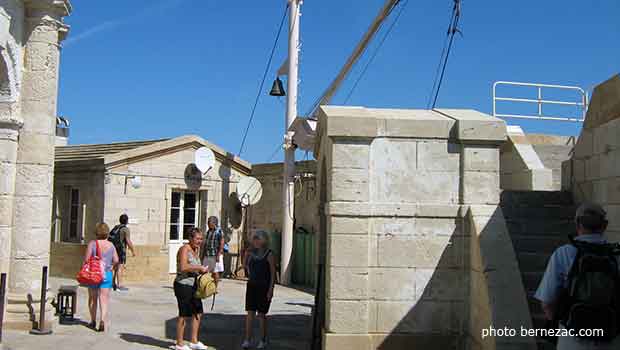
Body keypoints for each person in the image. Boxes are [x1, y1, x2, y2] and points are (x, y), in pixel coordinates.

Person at [534, 202, 620, 349]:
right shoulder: (616, 256)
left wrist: (556, 324)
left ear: (577, 224)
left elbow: (547, 302)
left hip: (572, 339)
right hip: (610, 338)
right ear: (604, 225)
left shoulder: (564, 253)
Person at [174, 227, 209, 350]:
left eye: (201, 238)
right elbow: (183, 267)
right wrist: (199, 268)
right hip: (183, 285)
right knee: (183, 314)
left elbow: (193, 268)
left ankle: (194, 341)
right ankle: (179, 343)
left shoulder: (195, 250)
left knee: (198, 311)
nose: (200, 241)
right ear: (190, 238)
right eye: (197, 238)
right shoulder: (185, 249)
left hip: (194, 285)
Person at [242, 230, 276, 349]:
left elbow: (272, 274)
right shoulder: (251, 253)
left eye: (258, 239)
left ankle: (262, 339)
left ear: (264, 240)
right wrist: (246, 255)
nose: (256, 241)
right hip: (252, 285)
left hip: (264, 287)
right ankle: (247, 339)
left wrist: (271, 290)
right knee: (250, 313)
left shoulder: (269, 254)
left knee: (261, 315)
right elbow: (245, 267)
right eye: (254, 238)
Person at [84, 223, 119, 332]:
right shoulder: (111, 245)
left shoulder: (92, 244)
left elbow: (86, 259)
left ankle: (93, 321)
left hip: (94, 273)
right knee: (104, 299)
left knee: (92, 299)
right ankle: (102, 320)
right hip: (107, 274)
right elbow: (116, 260)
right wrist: (110, 266)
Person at [109, 214, 136, 291]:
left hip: (113, 249)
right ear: (127, 221)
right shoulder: (125, 229)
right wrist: (133, 250)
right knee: (120, 267)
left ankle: (112, 284)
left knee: (114, 267)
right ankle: (119, 285)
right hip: (121, 250)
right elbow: (128, 241)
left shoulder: (116, 227)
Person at [201, 216, 224, 284]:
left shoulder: (219, 231)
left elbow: (222, 243)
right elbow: (206, 243)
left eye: (209, 222)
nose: (208, 224)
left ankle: (215, 287)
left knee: (215, 272)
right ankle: (206, 285)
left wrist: (218, 254)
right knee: (204, 270)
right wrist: (202, 254)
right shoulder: (209, 231)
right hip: (208, 254)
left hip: (215, 254)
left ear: (214, 223)